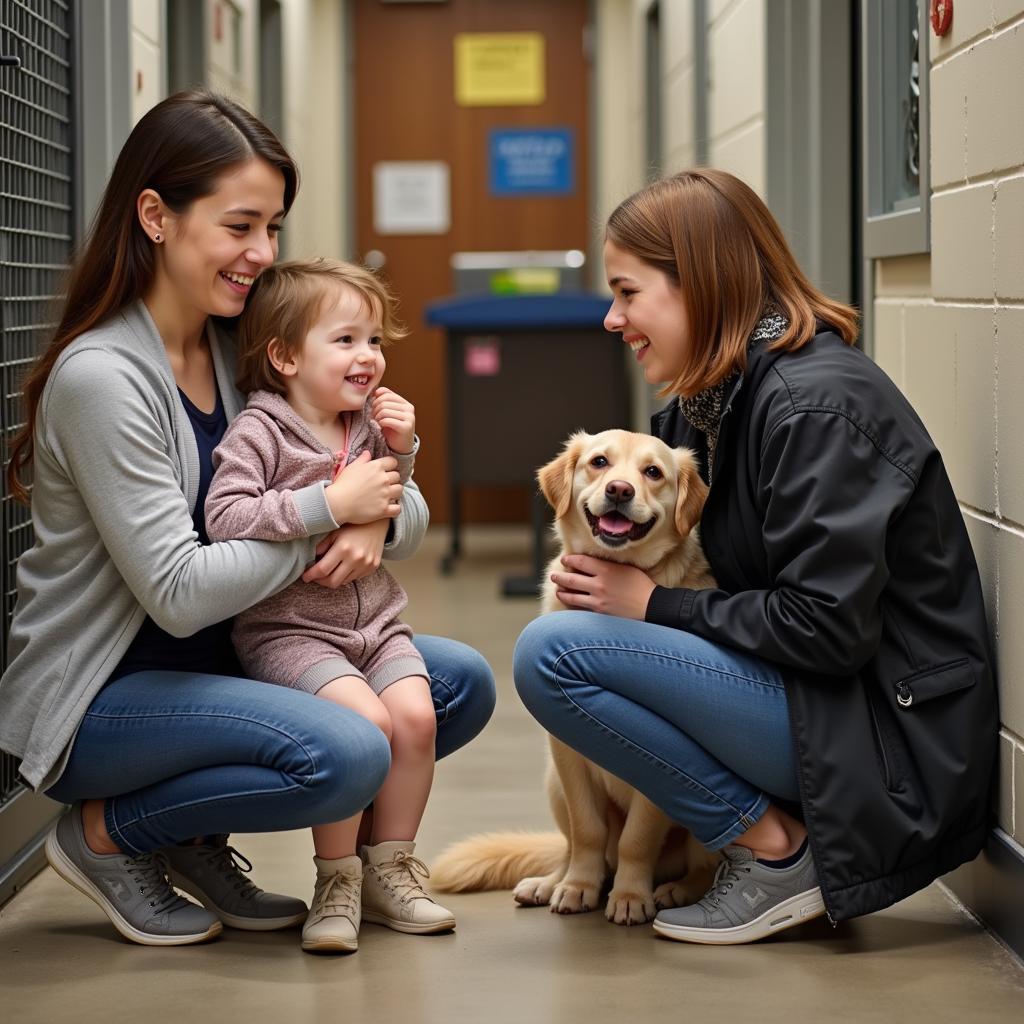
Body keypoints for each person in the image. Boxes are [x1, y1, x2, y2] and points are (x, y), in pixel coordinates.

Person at [0, 90, 495, 948]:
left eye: (272, 227)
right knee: (349, 750)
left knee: (452, 684)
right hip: (109, 694)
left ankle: (224, 843)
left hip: (228, 656)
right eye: (240, 227)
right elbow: (182, 596)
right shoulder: (104, 379)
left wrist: (372, 522)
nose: (263, 255)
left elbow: (387, 504)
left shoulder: (240, 352)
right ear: (156, 215)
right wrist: (330, 517)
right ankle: (108, 836)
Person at [513, 169, 999, 945]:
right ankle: (648, 851)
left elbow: (828, 629)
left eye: (628, 293)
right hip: (823, 707)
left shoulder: (816, 406)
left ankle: (779, 852)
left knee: (555, 654)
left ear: (698, 287)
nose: (613, 318)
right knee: (563, 641)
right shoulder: (708, 404)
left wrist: (653, 606)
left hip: (887, 747)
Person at [205, 258, 456, 952]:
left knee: (414, 717)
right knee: (368, 726)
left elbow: (390, 496)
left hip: (375, 624)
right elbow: (225, 517)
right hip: (291, 633)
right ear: (285, 357)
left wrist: (404, 453)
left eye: (374, 340)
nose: (368, 357)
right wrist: (328, 506)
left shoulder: (364, 425)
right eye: (345, 341)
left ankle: (391, 870)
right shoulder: (261, 430)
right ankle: (336, 879)